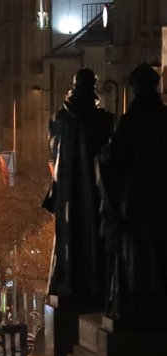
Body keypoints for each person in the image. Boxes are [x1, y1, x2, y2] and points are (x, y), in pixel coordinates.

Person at [97, 63, 167, 321]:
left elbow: (112, 161)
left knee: (136, 259)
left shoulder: (130, 122)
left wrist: (101, 154)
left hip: (135, 202)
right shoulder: (163, 118)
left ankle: (137, 304)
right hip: (160, 201)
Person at [42, 68, 114, 307]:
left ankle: (68, 280)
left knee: (69, 239)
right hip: (93, 192)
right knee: (91, 237)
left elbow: (53, 153)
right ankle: (92, 282)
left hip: (67, 195)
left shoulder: (60, 119)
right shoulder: (101, 121)